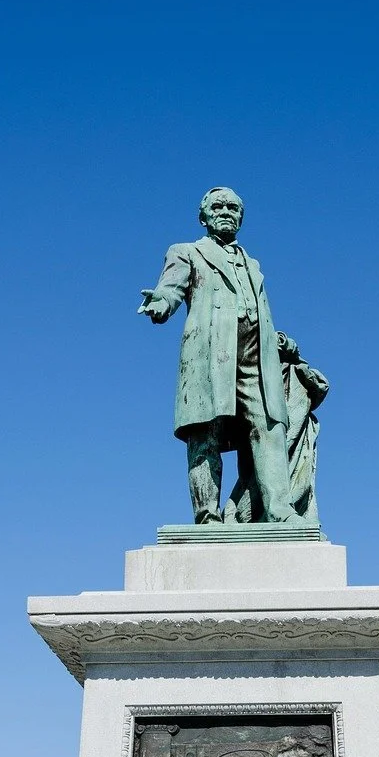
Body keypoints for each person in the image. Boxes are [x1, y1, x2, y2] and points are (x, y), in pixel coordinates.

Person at [139, 187, 303, 525]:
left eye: (233, 207)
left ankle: (280, 510)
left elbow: (257, 311)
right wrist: (159, 302)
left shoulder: (253, 264)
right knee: (205, 432)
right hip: (211, 355)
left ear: (241, 217)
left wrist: (278, 340)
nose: (226, 211)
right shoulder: (187, 252)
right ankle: (207, 513)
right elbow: (172, 288)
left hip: (256, 359)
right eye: (218, 206)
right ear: (203, 217)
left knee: (269, 426)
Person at [224, 332, 329, 525]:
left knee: (295, 479)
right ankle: (244, 514)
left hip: (293, 437)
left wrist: (290, 353)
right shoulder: (250, 380)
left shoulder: (294, 372)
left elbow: (321, 387)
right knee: (255, 477)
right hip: (262, 436)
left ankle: (272, 513)